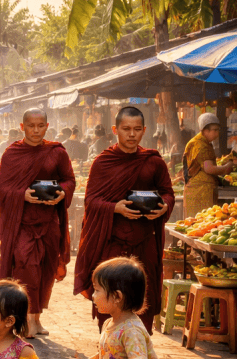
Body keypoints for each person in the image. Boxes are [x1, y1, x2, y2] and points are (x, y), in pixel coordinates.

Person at [74, 107, 174, 333]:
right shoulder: (103, 162)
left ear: (144, 130)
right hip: (113, 243)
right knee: (110, 298)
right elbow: (91, 200)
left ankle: (138, 351)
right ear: (115, 129)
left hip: (144, 241)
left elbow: (167, 192)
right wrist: (115, 208)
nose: (131, 134)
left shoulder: (153, 162)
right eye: (126, 129)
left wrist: (164, 206)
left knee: (143, 298)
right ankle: (108, 349)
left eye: (137, 129)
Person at [0, 109, 75, 337]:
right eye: (31, 126)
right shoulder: (12, 153)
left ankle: (37, 318)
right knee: (25, 267)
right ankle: (27, 318)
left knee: (45, 269)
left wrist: (62, 192)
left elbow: (69, 180)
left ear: (47, 126)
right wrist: (22, 194)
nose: (36, 130)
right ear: (22, 127)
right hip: (22, 223)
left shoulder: (56, 152)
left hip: (49, 221)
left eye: (41, 126)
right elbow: (2, 187)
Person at [182, 113, 234, 219]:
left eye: (218, 130)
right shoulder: (200, 145)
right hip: (199, 192)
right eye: (214, 130)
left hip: (202, 190)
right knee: (199, 225)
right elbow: (209, 168)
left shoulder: (203, 142)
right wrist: (226, 168)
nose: (217, 133)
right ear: (205, 130)